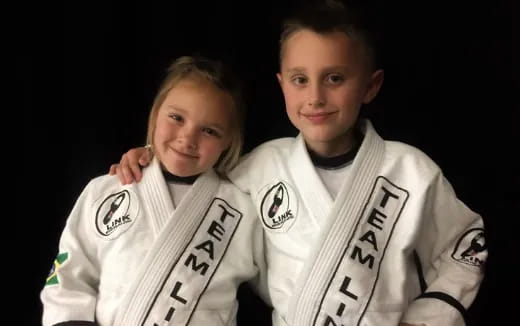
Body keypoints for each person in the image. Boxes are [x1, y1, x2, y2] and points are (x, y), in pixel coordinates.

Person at [110, 1, 487, 325]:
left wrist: (433, 315)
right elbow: (192, 180)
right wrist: (149, 157)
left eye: (335, 78)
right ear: (282, 85)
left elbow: (464, 247)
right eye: (300, 79)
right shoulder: (259, 168)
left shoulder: (410, 172)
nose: (315, 97)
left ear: (370, 86)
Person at [40, 56, 268, 326]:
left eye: (209, 131)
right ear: (156, 114)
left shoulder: (241, 210)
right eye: (176, 117)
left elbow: (280, 278)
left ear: (229, 141)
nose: (187, 138)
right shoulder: (108, 190)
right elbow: (70, 276)